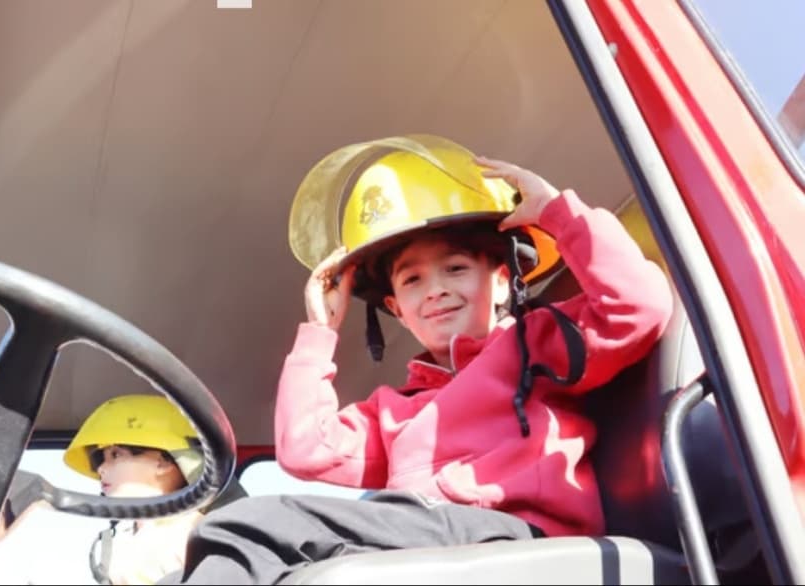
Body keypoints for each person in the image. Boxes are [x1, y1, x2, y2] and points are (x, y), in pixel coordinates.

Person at [170, 134, 674, 584]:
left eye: (455, 268)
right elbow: (305, 449)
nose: (435, 290)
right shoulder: (395, 408)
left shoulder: (535, 343)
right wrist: (321, 332)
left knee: (249, 528)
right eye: (412, 280)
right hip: (426, 539)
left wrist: (556, 214)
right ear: (397, 310)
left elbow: (638, 308)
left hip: (516, 540)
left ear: (501, 280)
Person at [0, 394, 246, 585]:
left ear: (164, 461)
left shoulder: (200, 533)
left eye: (115, 455)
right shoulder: (112, 546)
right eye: (101, 459)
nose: (102, 468)